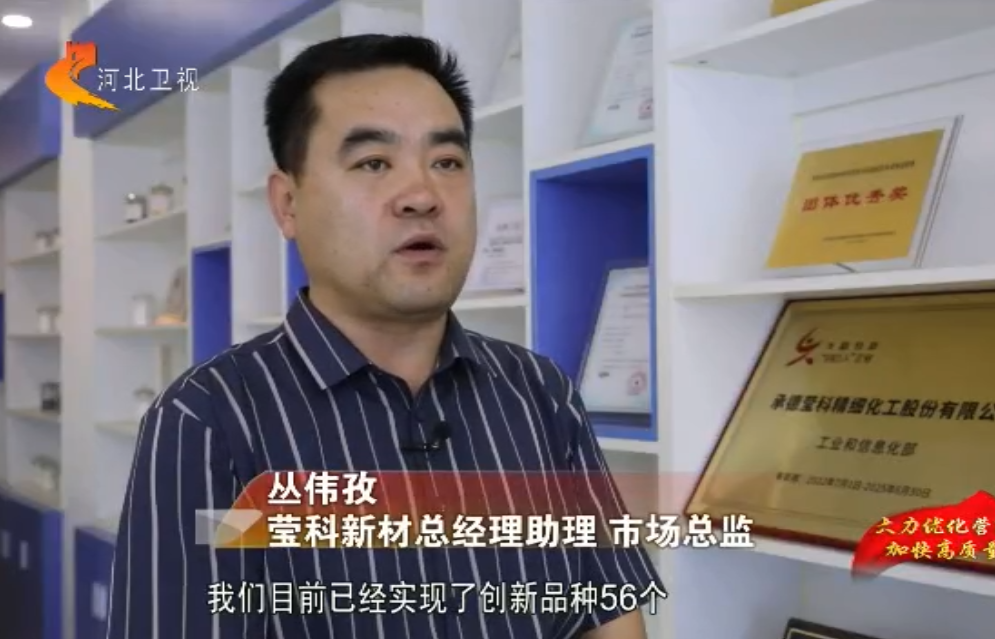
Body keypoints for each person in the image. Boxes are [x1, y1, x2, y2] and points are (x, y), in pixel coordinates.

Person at [104, 33, 662, 639]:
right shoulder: (208, 420)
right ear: (288, 204)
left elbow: (611, 615)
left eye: (447, 162)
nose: (422, 196)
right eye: (373, 163)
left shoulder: (540, 394)